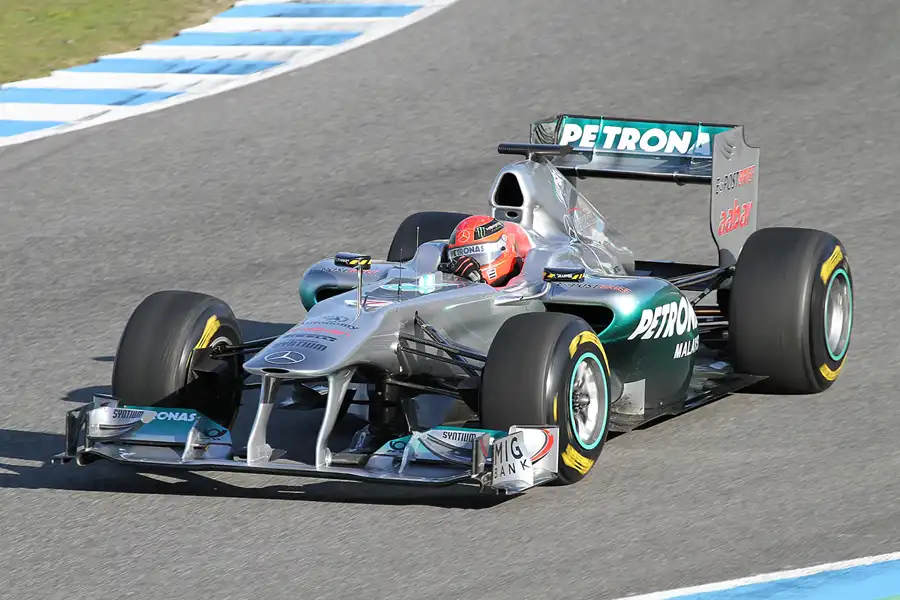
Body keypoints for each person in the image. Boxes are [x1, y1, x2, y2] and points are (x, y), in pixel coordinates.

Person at [441, 215, 530, 287]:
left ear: (504, 247)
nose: (467, 268)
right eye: (459, 259)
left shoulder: (531, 279)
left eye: (479, 256)